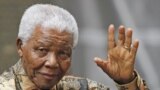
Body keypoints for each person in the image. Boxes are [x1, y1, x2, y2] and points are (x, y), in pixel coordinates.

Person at [0, 4, 149, 90]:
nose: (52, 62)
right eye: (42, 50)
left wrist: (127, 81)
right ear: (20, 46)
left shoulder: (76, 87)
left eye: (63, 53)